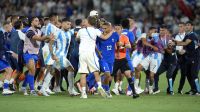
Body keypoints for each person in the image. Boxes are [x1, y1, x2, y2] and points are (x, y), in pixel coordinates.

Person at [77, 16, 113, 99]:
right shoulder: (96, 31)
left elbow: (77, 39)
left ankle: (83, 94)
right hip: (91, 53)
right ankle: (100, 86)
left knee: (83, 74)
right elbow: (104, 38)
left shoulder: (81, 30)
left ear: (88, 22)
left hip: (82, 53)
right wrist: (111, 32)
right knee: (96, 71)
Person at [112, 24, 139, 99]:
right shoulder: (112, 37)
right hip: (114, 60)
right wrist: (116, 44)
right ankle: (107, 91)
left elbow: (129, 46)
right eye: (116, 29)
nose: (117, 30)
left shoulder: (124, 37)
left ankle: (134, 93)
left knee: (128, 74)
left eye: (118, 29)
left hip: (123, 59)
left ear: (121, 30)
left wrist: (122, 45)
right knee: (110, 76)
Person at [174, 21, 200, 95]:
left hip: (195, 58)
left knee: (194, 74)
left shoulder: (193, 35)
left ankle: (198, 90)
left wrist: (175, 43)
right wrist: (174, 42)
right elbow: (182, 42)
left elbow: (185, 43)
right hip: (189, 57)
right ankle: (193, 89)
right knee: (188, 74)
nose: (187, 26)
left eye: (188, 25)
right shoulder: (188, 35)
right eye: (186, 25)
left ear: (192, 27)